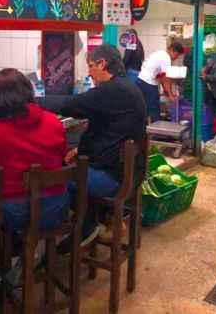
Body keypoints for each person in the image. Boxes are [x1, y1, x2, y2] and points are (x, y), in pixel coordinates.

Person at [37, 45, 147, 245]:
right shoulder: (127, 87)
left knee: (50, 179)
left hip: (112, 179)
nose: (88, 72)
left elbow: (71, 104)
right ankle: (93, 220)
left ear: (103, 64)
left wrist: (32, 101)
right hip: (128, 173)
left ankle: (83, 227)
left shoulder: (112, 90)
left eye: (90, 66)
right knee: (71, 166)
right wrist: (81, 149)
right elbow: (114, 131)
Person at [0, 69, 69, 232]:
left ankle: (9, 252)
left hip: (16, 213)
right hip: (56, 208)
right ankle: (28, 252)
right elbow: (62, 154)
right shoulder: (52, 120)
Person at [136, 42, 184, 122]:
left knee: (144, 107)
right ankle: (156, 132)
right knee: (154, 108)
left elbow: (161, 77)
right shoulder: (166, 59)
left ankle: (143, 130)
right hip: (148, 83)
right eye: (177, 55)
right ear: (172, 50)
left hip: (140, 81)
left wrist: (166, 90)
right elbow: (166, 80)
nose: (176, 58)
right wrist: (171, 95)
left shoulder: (160, 53)